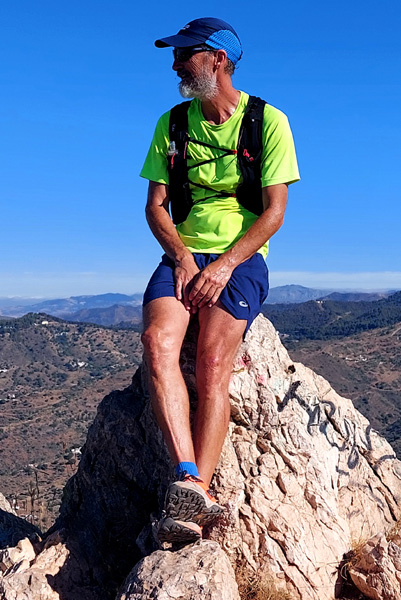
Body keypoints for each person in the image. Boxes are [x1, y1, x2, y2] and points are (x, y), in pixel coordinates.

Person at [140, 17, 300, 544]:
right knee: (157, 342)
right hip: (184, 253)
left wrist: (225, 264)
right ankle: (188, 476)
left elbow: (274, 212)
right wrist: (183, 259)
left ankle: (196, 494)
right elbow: (156, 207)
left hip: (241, 257)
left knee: (211, 363)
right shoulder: (173, 125)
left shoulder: (267, 121)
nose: (175, 64)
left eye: (184, 54)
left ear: (218, 59)